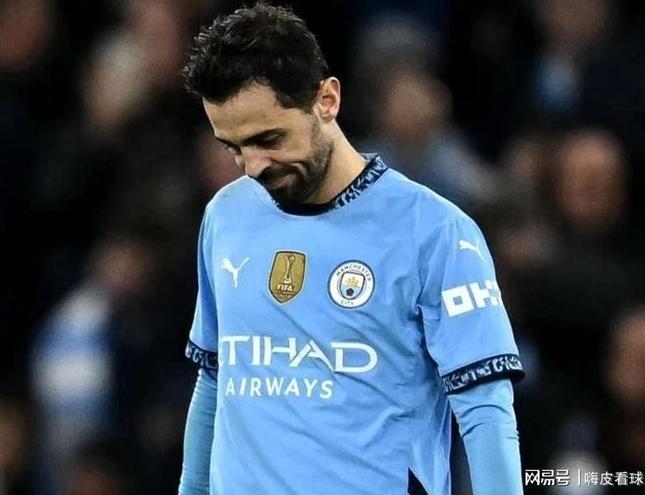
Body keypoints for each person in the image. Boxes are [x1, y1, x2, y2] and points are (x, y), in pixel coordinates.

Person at [178, 4, 524, 494]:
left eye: (269, 138)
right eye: (233, 147)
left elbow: (485, 410)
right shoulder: (225, 216)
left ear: (327, 100)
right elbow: (215, 379)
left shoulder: (435, 232)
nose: (253, 166)